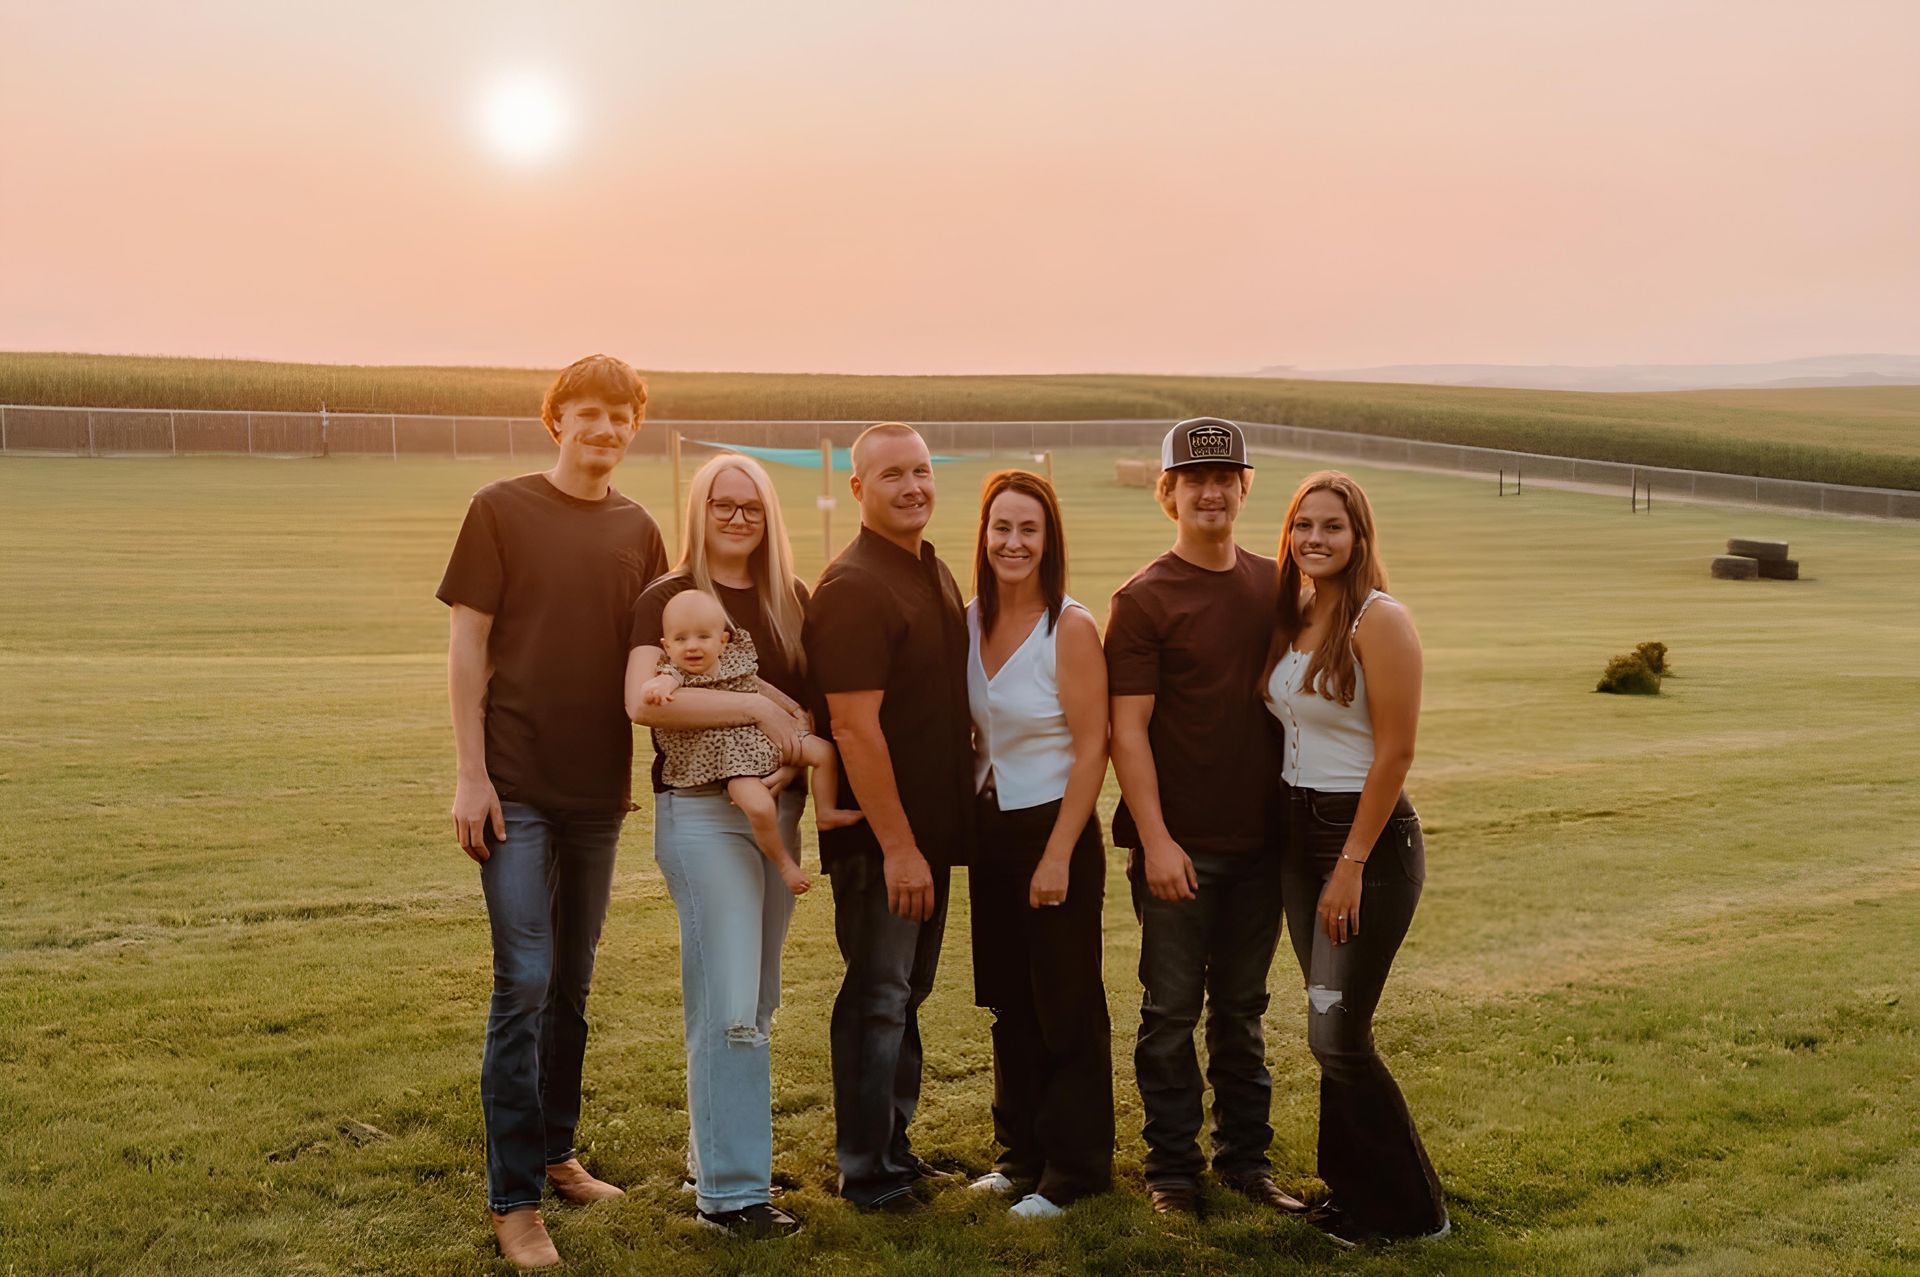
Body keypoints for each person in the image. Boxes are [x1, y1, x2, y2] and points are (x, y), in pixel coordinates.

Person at [438, 354, 666, 1270]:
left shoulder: (639, 528)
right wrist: (470, 772)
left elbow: (654, 659)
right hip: (516, 786)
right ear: (555, 419)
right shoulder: (501, 508)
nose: (605, 430)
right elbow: (468, 642)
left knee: (572, 981)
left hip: (597, 793)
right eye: (588, 413)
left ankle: (557, 1151)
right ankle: (513, 1202)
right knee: (523, 980)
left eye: (621, 417)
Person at [1105, 417, 1305, 1219]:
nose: (1213, 490)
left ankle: (1246, 1162)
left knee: (1243, 1013)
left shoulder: (1278, 584)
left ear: (1245, 486)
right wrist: (1156, 839)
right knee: (1170, 1014)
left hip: (1262, 846)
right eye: (1196, 479)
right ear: (1168, 492)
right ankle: (1173, 1172)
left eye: (1227, 477)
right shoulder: (1144, 598)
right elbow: (1127, 731)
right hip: (1177, 850)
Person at [626, 452, 818, 1239]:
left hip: (778, 813)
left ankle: (718, 1152)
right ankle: (732, 1197)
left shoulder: (790, 600)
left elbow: (809, 707)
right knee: (730, 1002)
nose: (738, 518)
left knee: (755, 997)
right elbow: (643, 703)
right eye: (722, 504)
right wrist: (764, 720)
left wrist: (792, 741)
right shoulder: (668, 598)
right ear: (699, 510)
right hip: (702, 816)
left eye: (751, 506)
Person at [1262, 470, 1448, 1246]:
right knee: (1325, 1025)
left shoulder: (1381, 619)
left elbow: (1396, 752)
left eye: (1331, 526)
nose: (1315, 538)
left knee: (1339, 1034)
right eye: (1303, 524)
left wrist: (1350, 864)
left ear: (1359, 534)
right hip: (1298, 838)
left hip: (1363, 843)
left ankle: (1413, 1211)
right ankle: (1351, 1191)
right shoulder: (1299, 613)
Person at [803, 422, 975, 1211]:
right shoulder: (854, 588)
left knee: (906, 993)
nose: (913, 486)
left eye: (922, 469)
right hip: (881, 844)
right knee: (877, 994)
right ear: (858, 489)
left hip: (930, 839)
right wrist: (900, 848)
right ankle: (864, 1169)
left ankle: (893, 1147)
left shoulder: (929, 569)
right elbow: (853, 727)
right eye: (893, 474)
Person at [961, 470, 1113, 1219]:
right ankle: (1018, 1154)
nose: (1013, 542)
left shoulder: (1071, 627)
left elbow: (1094, 748)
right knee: (1009, 1002)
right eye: (1001, 528)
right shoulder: (967, 619)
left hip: (1056, 828)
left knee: (1066, 1002)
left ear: (1048, 541)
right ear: (984, 536)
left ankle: (1075, 1166)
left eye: (1029, 529)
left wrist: (1057, 854)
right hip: (991, 833)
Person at [636, 587, 862, 895]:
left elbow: (762, 688)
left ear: (723, 640)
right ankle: (784, 863)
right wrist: (657, 686)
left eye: (703, 637)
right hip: (729, 761)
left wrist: (794, 709)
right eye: (680, 639)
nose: (692, 647)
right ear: (666, 645)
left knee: (823, 752)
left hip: (762, 739)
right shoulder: (675, 672)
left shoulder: (734, 662)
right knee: (759, 807)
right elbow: (659, 683)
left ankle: (825, 812)